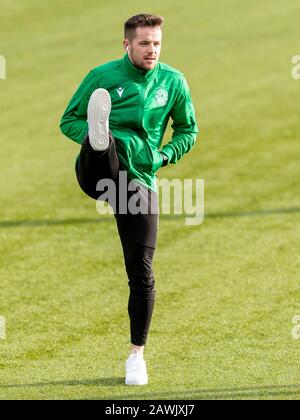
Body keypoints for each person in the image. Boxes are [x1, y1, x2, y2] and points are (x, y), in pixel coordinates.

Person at [60, 13, 198, 386]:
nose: (151, 50)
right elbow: (67, 121)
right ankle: (102, 136)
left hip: (139, 183)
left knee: (142, 270)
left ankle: (136, 355)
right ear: (126, 45)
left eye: (156, 43)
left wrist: (163, 155)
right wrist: (97, 136)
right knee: (103, 143)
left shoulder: (173, 81)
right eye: (143, 43)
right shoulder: (102, 77)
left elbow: (188, 129)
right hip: (97, 172)